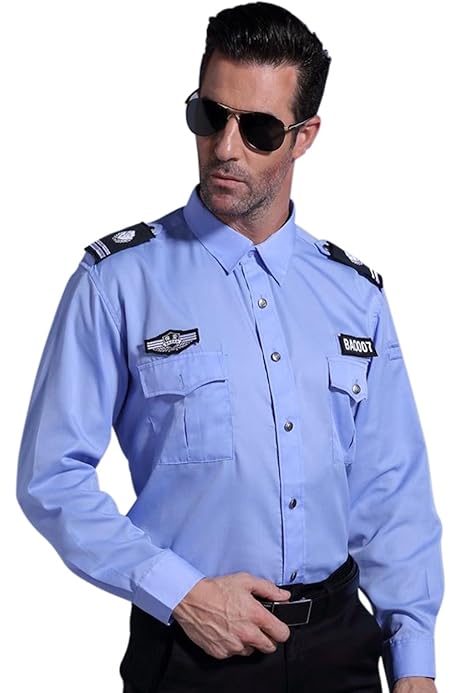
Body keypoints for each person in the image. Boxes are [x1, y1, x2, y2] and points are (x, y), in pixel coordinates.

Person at [16, 2, 444, 692]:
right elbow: (52, 477)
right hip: (192, 652)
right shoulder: (117, 282)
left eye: (260, 128)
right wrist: (181, 593)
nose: (225, 147)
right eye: (210, 115)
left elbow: (392, 489)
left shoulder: (354, 295)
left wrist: (414, 660)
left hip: (342, 653)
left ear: (304, 137)